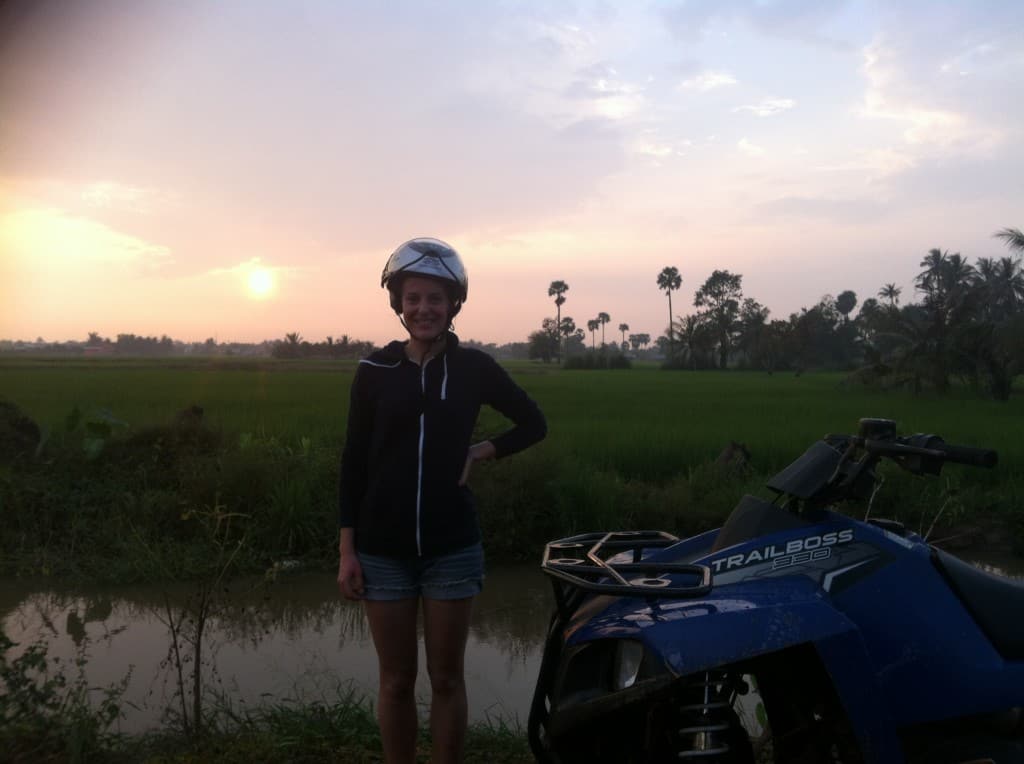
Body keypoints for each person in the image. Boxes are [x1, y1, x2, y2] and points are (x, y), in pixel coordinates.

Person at [337, 237, 546, 763]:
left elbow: (533, 423)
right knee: (395, 681)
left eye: (435, 298)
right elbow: (353, 464)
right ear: (398, 305)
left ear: (453, 304)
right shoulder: (375, 372)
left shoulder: (474, 368)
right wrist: (347, 550)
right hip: (382, 551)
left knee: (447, 679)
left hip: (452, 547)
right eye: (413, 298)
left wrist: (482, 449)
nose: (423, 308)